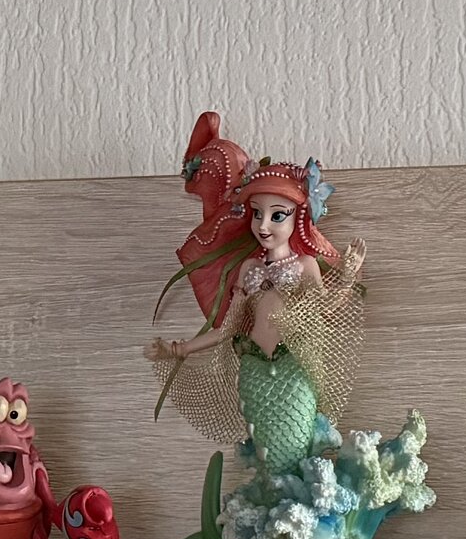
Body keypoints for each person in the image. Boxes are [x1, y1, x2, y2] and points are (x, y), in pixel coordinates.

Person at [144, 112, 366, 471]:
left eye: (277, 215)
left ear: (298, 217)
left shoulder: (304, 265)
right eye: (256, 213)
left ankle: (298, 489)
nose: (263, 225)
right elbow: (228, 328)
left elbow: (326, 309)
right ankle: (271, 492)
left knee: (296, 439)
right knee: (266, 450)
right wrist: (177, 349)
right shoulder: (249, 270)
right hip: (253, 371)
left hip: (294, 368)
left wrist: (348, 275)